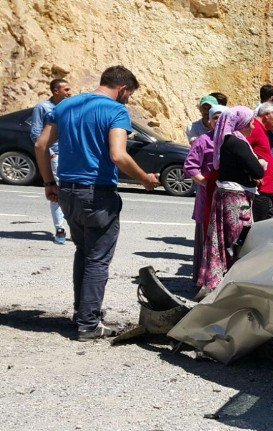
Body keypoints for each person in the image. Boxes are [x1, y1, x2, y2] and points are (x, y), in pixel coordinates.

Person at [33, 65, 159, 340]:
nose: (128, 101)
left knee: (83, 251)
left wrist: (48, 183)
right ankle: (89, 324)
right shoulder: (115, 111)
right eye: (129, 95)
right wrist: (146, 179)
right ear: (123, 88)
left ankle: (82, 313)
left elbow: (41, 145)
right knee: (98, 259)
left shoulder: (66, 105)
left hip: (67, 191)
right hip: (97, 194)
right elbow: (118, 155)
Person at [197, 106, 265, 295]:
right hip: (236, 200)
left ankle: (217, 282)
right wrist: (260, 164)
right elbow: (258, 172)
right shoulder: (237, 143)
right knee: (238, 241)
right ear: (242, 123)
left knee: (221, 240)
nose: (253, 126)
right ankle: (233, 286)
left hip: (225, 197)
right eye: (251, 122)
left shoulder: (227, 141)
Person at [183, 104, 225, 284]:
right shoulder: (203, 141)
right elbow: (190, 166)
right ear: (209, 120)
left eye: (222, 116)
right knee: (205, 237)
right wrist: (206, 183)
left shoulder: (235, 139)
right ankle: (202, 279)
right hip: (207, 196)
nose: (219, 120)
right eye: (215, 117)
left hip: (227, 198)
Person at [28, 78, 72, 245]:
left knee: (73, 191)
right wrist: (50, 153)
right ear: (56, 91)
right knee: (57, 192)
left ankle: (75, 227)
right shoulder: (43, 107)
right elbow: (36, 133)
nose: (69, 93)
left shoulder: (69, 106)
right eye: (66, 90)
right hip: (56, 156)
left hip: (71, 155)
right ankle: (60, 228)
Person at [248, 102, 273, 221]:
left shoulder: (261, 129)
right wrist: (253, 173)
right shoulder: (254, 128)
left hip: (265, 187)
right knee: (262, 224)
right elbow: (242, 150)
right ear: (267, 115)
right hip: (260, 188)